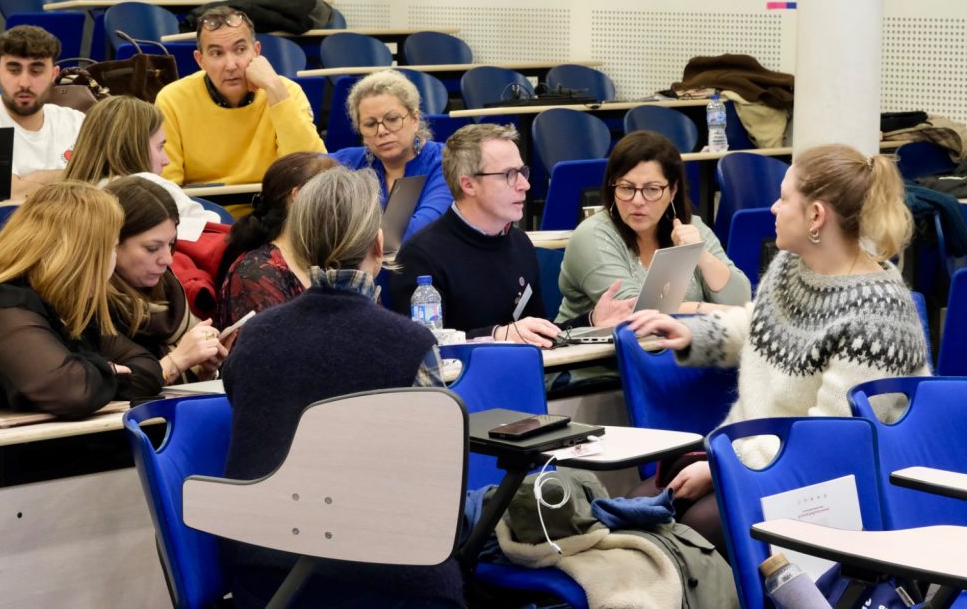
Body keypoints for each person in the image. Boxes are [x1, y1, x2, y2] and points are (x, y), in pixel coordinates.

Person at [626, 144, 931, 550]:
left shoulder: (879, 314)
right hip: (757, 456)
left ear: (816, 216)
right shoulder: (792, 266)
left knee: (691, 531)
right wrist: (692, 334)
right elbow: (759, 325)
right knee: (638, 506)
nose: (773, 208)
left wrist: (723, 468)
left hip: (829, 482)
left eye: (784, 198)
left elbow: (831, 440)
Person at [221, 166, 462, 608]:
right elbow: (435, 483)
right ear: (378, 245)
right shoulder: (409, 344)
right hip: (381, 579)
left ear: (300, 244)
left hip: (263, 577)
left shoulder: (253, 336)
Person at [391, 123, 634, 344]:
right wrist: (495, 335)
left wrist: (591, 321)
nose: (524, 185)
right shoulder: (421, 257)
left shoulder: (519, 243)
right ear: (468, 184)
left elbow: (538, 334)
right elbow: (420, 347)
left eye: (522, 172)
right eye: (509, 175)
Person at [0, 182, 162, 417]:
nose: (114, 257)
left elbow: (148, 368)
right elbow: (73, 393)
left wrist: (95, 374)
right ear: (82, 254)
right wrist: (108, 370)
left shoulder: (72, 303)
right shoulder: (3, 306)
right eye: (112, 247)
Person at [558, 131, 750, 321]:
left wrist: (703, 257)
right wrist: (708, 310)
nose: (638, 201)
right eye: (627, 188)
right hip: (600, 342)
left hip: (679, 340)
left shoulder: (690, 227)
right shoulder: (591, 235)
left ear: (672, 191)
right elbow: (636, 310)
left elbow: (740, 300)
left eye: (651, 189)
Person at [154, 6, 325, 205]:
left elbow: (313, 173)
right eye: (216, 53)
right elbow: (167, 188)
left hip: (276, 214)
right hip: (203, 215)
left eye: (240, 50)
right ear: (200, 60)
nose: (231, 65)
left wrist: (274, 89)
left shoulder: (286, 92)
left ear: (257, 51)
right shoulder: (172, 99)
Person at [105, 177, 231, 384]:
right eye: (152, 248)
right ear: (111, 243)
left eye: (171, 244)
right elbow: (120, 387)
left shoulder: (170, 288)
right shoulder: (90, 308)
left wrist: (205, 369)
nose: (167, 259)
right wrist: (178, 361)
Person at [64, 95, 220, 239]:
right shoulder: (149, 186)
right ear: (131, 147)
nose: (166, 160)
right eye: (159, 147)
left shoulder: (67, 200)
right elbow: (214, 231)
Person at [0, 25, 84, 200]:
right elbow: (11, 193)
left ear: (54, 74)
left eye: (36, 71)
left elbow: (105, 178)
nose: (24, 83)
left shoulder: (76, 122)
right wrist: (77, 175)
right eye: (14, 70)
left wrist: (30, 180)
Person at [215, 152, 337, 329]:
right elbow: (276, 344)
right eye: (333, 195)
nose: (341, 206)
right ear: (298, 196)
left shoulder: (327, 256)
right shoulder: (255, 273)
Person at [330, 69, 453, 241]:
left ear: (415, 119)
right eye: (370, 124)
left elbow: (419, 231)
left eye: (392, 119)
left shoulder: (445, 162)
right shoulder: (351, 160)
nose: (381, 131)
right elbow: (299, 168)